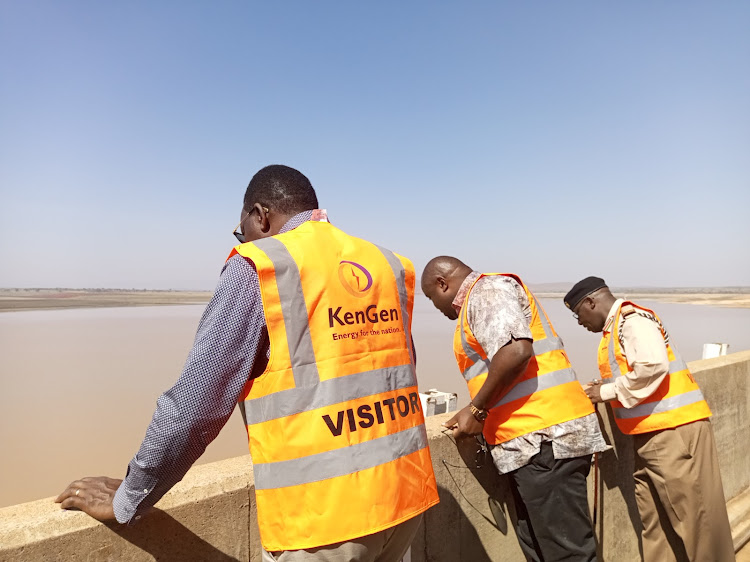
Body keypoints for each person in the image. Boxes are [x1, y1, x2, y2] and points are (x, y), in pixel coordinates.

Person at [56, 165, 440, 561]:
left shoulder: (262, 265)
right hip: (403, 498)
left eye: (243, 231)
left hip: (324, 521)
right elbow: (397, 371)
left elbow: (194, 408)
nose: (246, 240)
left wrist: (130, 496)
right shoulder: (388, 263)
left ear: (261, 215)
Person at [421, 256, 607, 562]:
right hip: (533, 444)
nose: (437, 308)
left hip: (547, 439)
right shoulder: (480, 299)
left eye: (433, 297)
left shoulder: (487, 291)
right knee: (541, 549)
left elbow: (516, 352)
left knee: (568, 554)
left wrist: (477, 410)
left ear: (443, 283)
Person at [565, 276, 735, 562]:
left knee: (700, 523)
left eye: (577, 314)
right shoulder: (616, 327)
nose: (579, 322)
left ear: (591, 302)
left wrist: (605, 391)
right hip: (650, 436)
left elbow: (652, 366)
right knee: (656, 524)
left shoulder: (631, 320)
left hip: (674, 433)